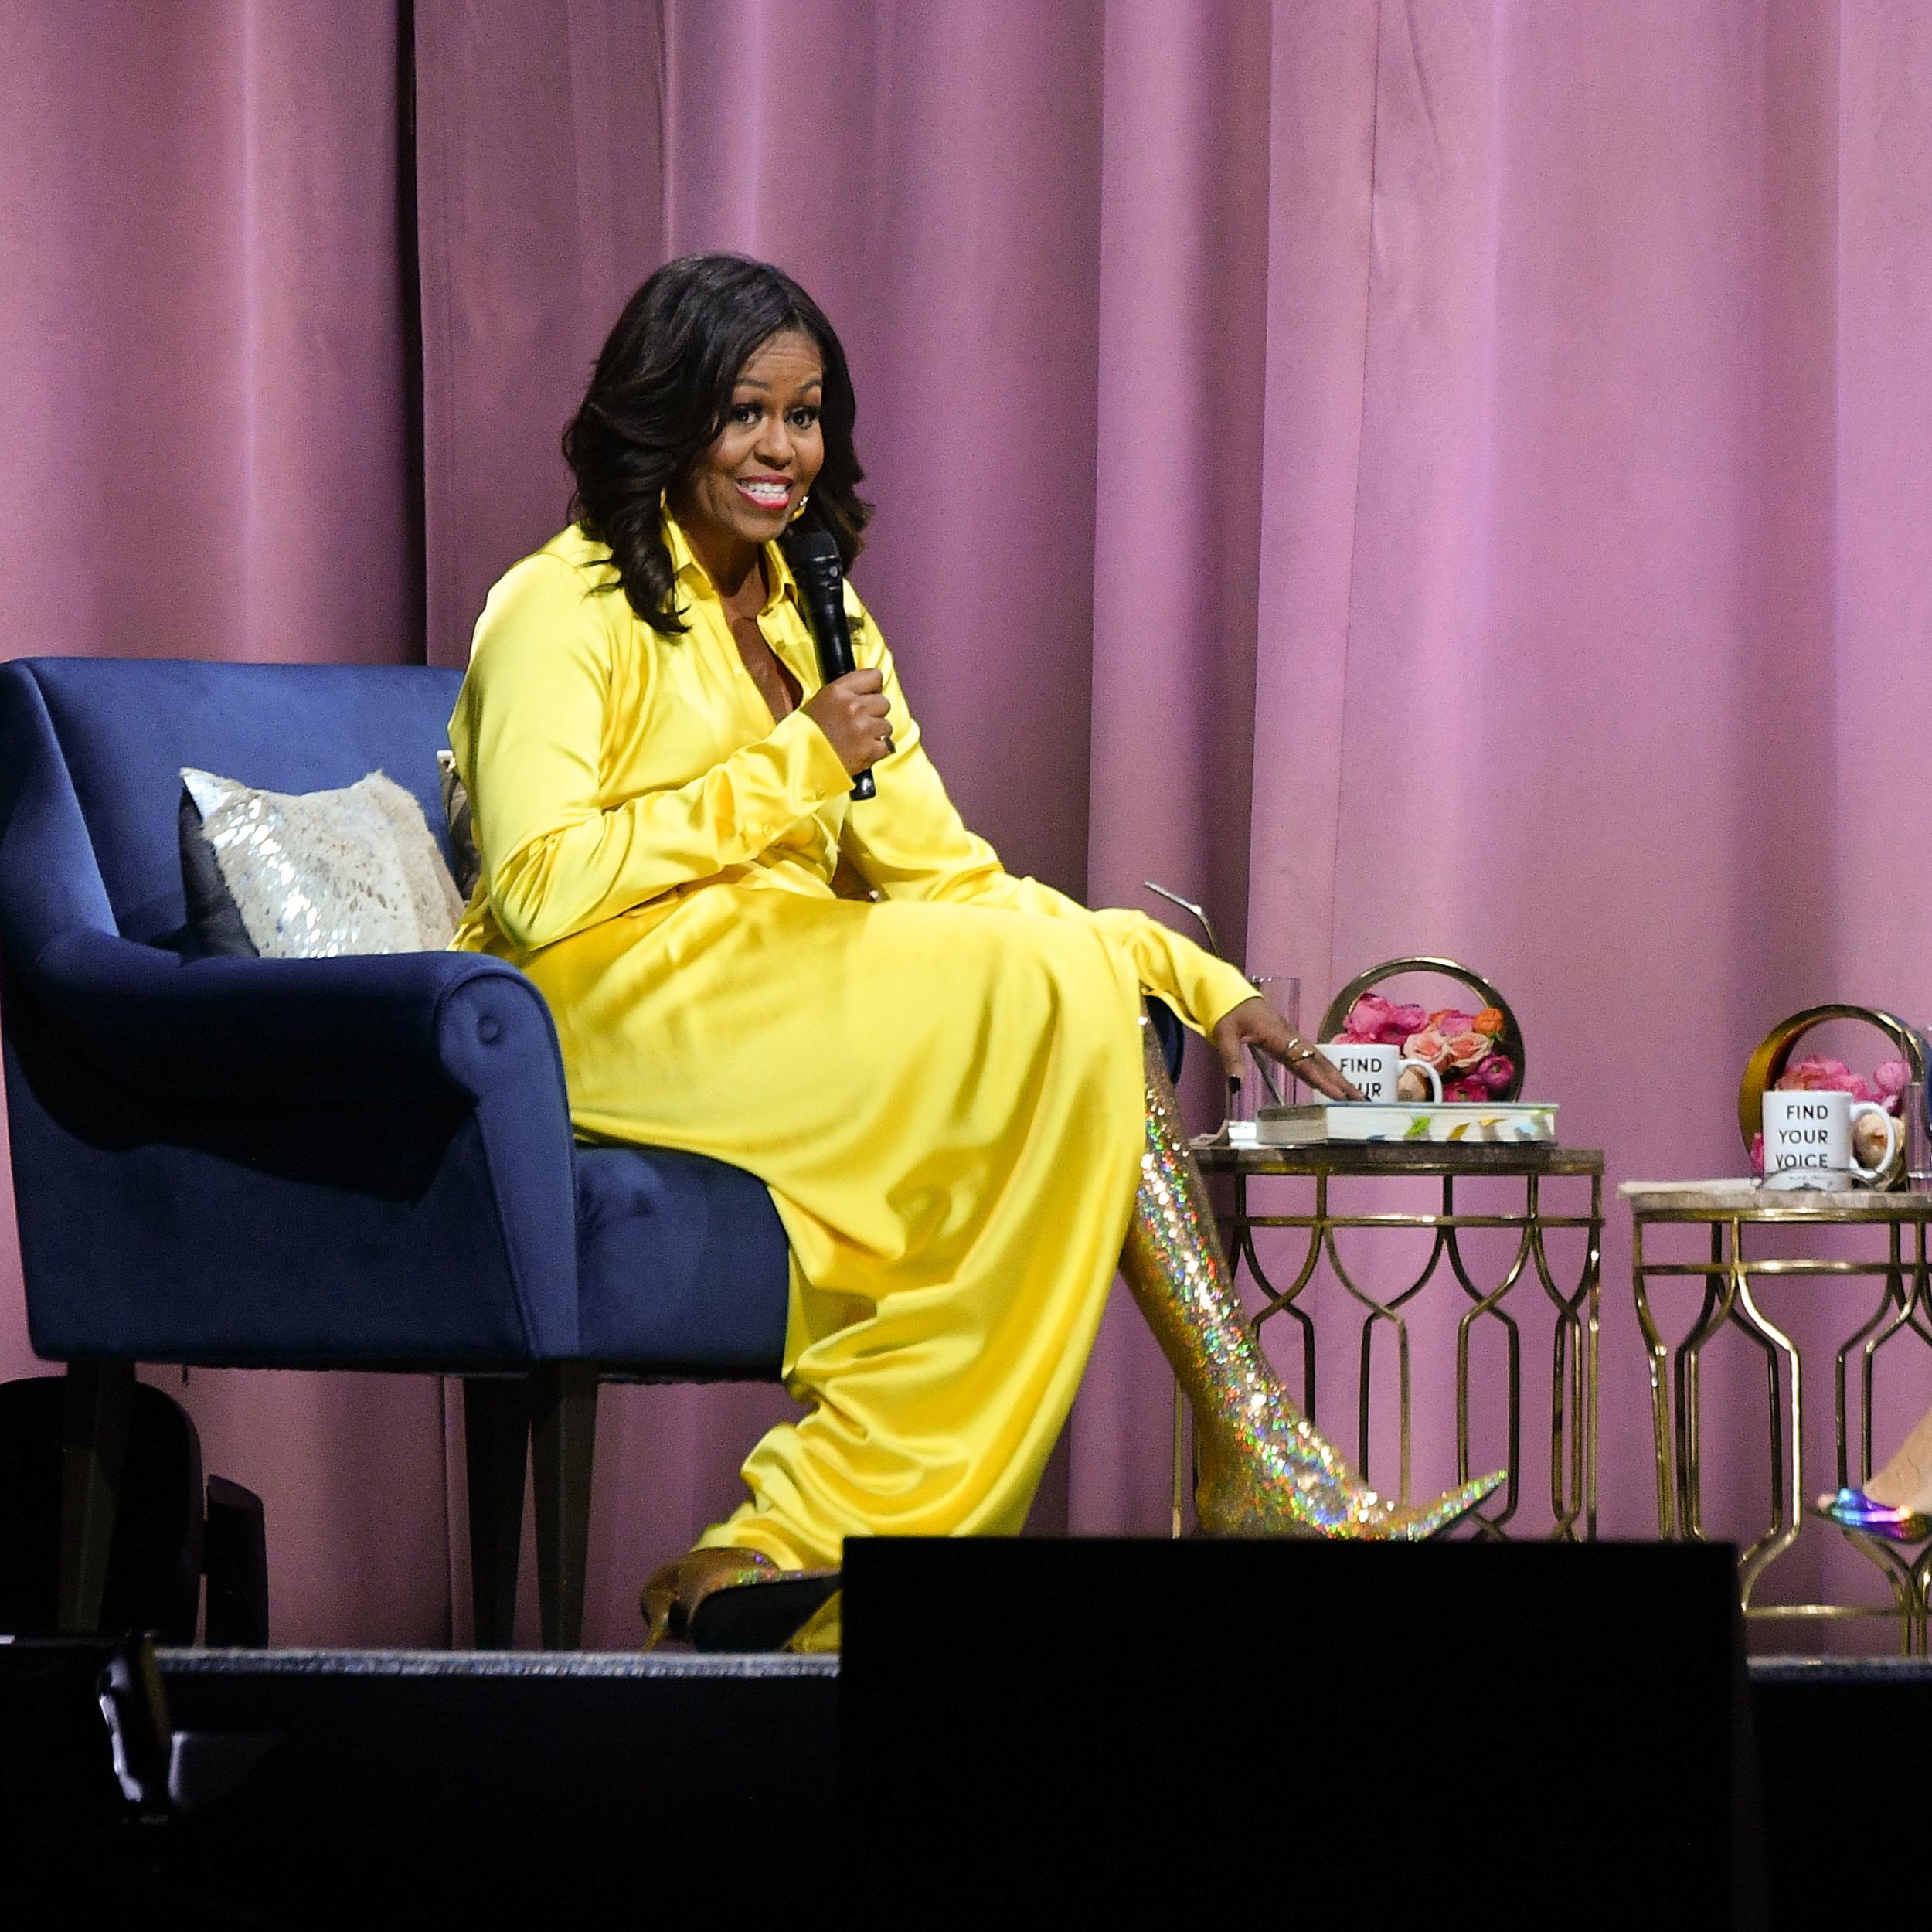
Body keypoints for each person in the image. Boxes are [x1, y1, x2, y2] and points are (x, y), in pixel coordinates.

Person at [447, 253, 1502, 1647]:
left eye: (807, 414)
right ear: (667, 415)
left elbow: (949, 879)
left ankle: (790, 1550)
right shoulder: (561, 605)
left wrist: (1190, 975)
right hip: (596, 1000)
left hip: (778, 977)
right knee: (1056, 1013)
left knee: (1060, 1040)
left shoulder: (818, 610)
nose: (783, 450)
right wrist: (790, 770)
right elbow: (534, 887)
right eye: (747, 412)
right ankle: (1251, 1448)